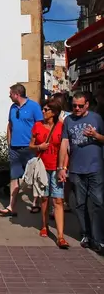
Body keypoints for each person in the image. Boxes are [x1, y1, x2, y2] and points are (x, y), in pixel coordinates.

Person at [58, 91, 104, 255]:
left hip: (95, 167)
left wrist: (96, 135)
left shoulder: (96, 118)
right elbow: (64, 144)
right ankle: (86, 234)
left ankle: (98, 238)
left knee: (98, 203)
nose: (76, 108)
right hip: (76, 169)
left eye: (80, 106)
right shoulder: (68, 120)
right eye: (74, 106)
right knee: (79, 204)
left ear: (87, 105)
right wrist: (61, 168)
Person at [0, 83, 43, 217]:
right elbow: (10, 125)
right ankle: (12, 206)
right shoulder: (12, 107)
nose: (9, 96)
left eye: (11, 93)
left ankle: (35, 203)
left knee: (34, 175)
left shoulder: (34, 106)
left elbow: (40, 126)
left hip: (30, 148)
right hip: (15, 148)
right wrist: (9, 143)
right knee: (14, 176)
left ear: (17, 94)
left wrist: (36, 145)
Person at [30, 98, 69, 248]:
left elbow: (66, 149)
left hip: (57, 167)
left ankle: (60, 236)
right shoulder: (37, 126)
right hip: (42, 167)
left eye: (46, 110)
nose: (43, 112)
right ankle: (44, 225)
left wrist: (64, 168)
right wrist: (39, 146)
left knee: (58, 200)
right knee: (44, 198)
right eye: (43, 109)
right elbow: (31, 145)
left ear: (54, 112)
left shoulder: (61, 127)